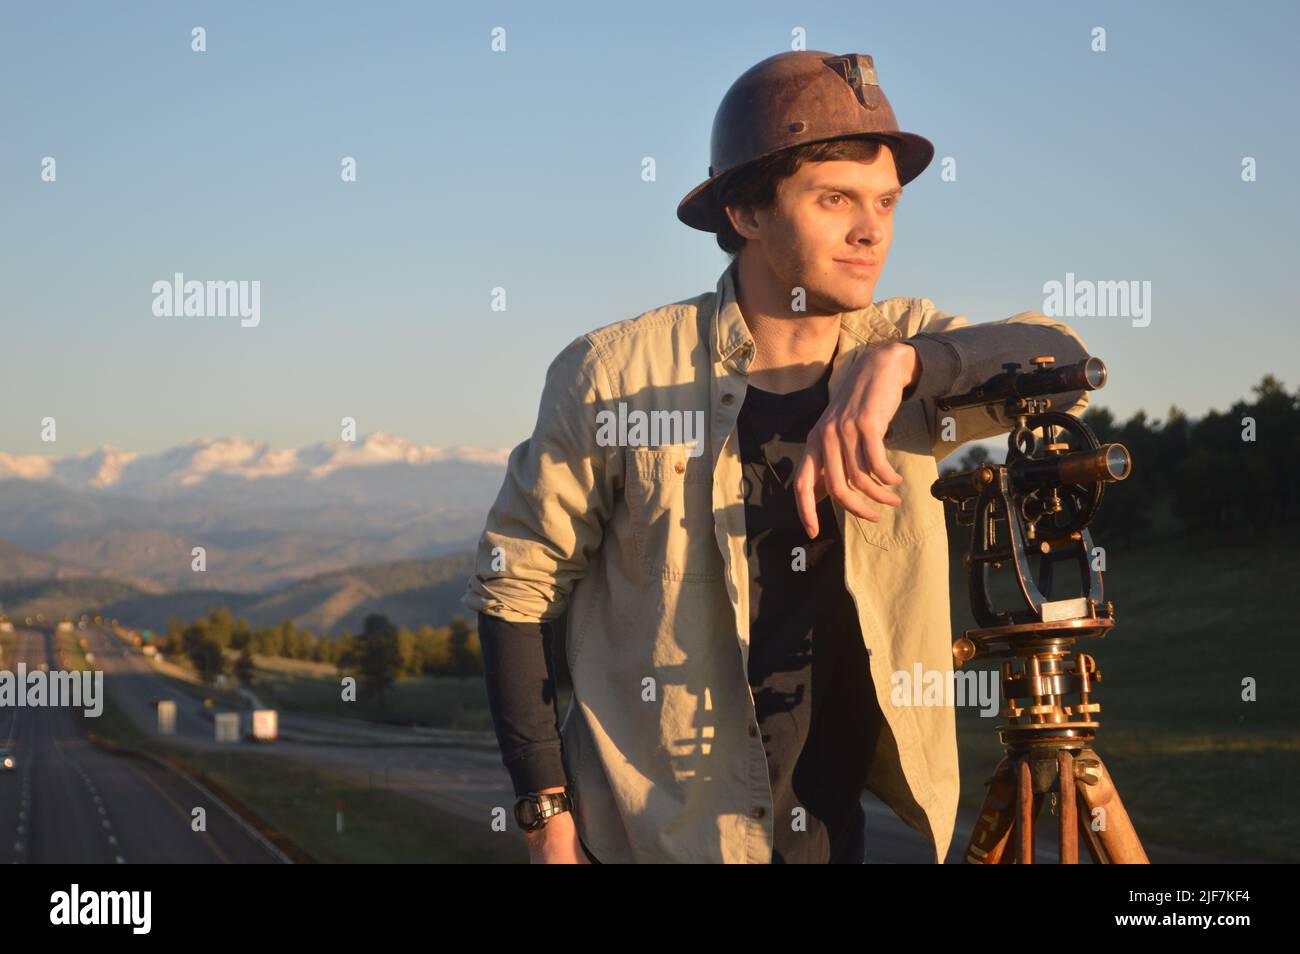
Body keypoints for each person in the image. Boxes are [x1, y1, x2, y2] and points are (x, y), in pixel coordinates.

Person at [464, 50, 1091, 863]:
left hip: (830, 833)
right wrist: (547, 813)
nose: (871, 231)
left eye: (886, 203)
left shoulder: (908, 347)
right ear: (748, 212)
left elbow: (1065, 364)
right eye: (835, 200)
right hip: (659, 834)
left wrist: (902, 364)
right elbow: (514, 586)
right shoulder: (614, 376)